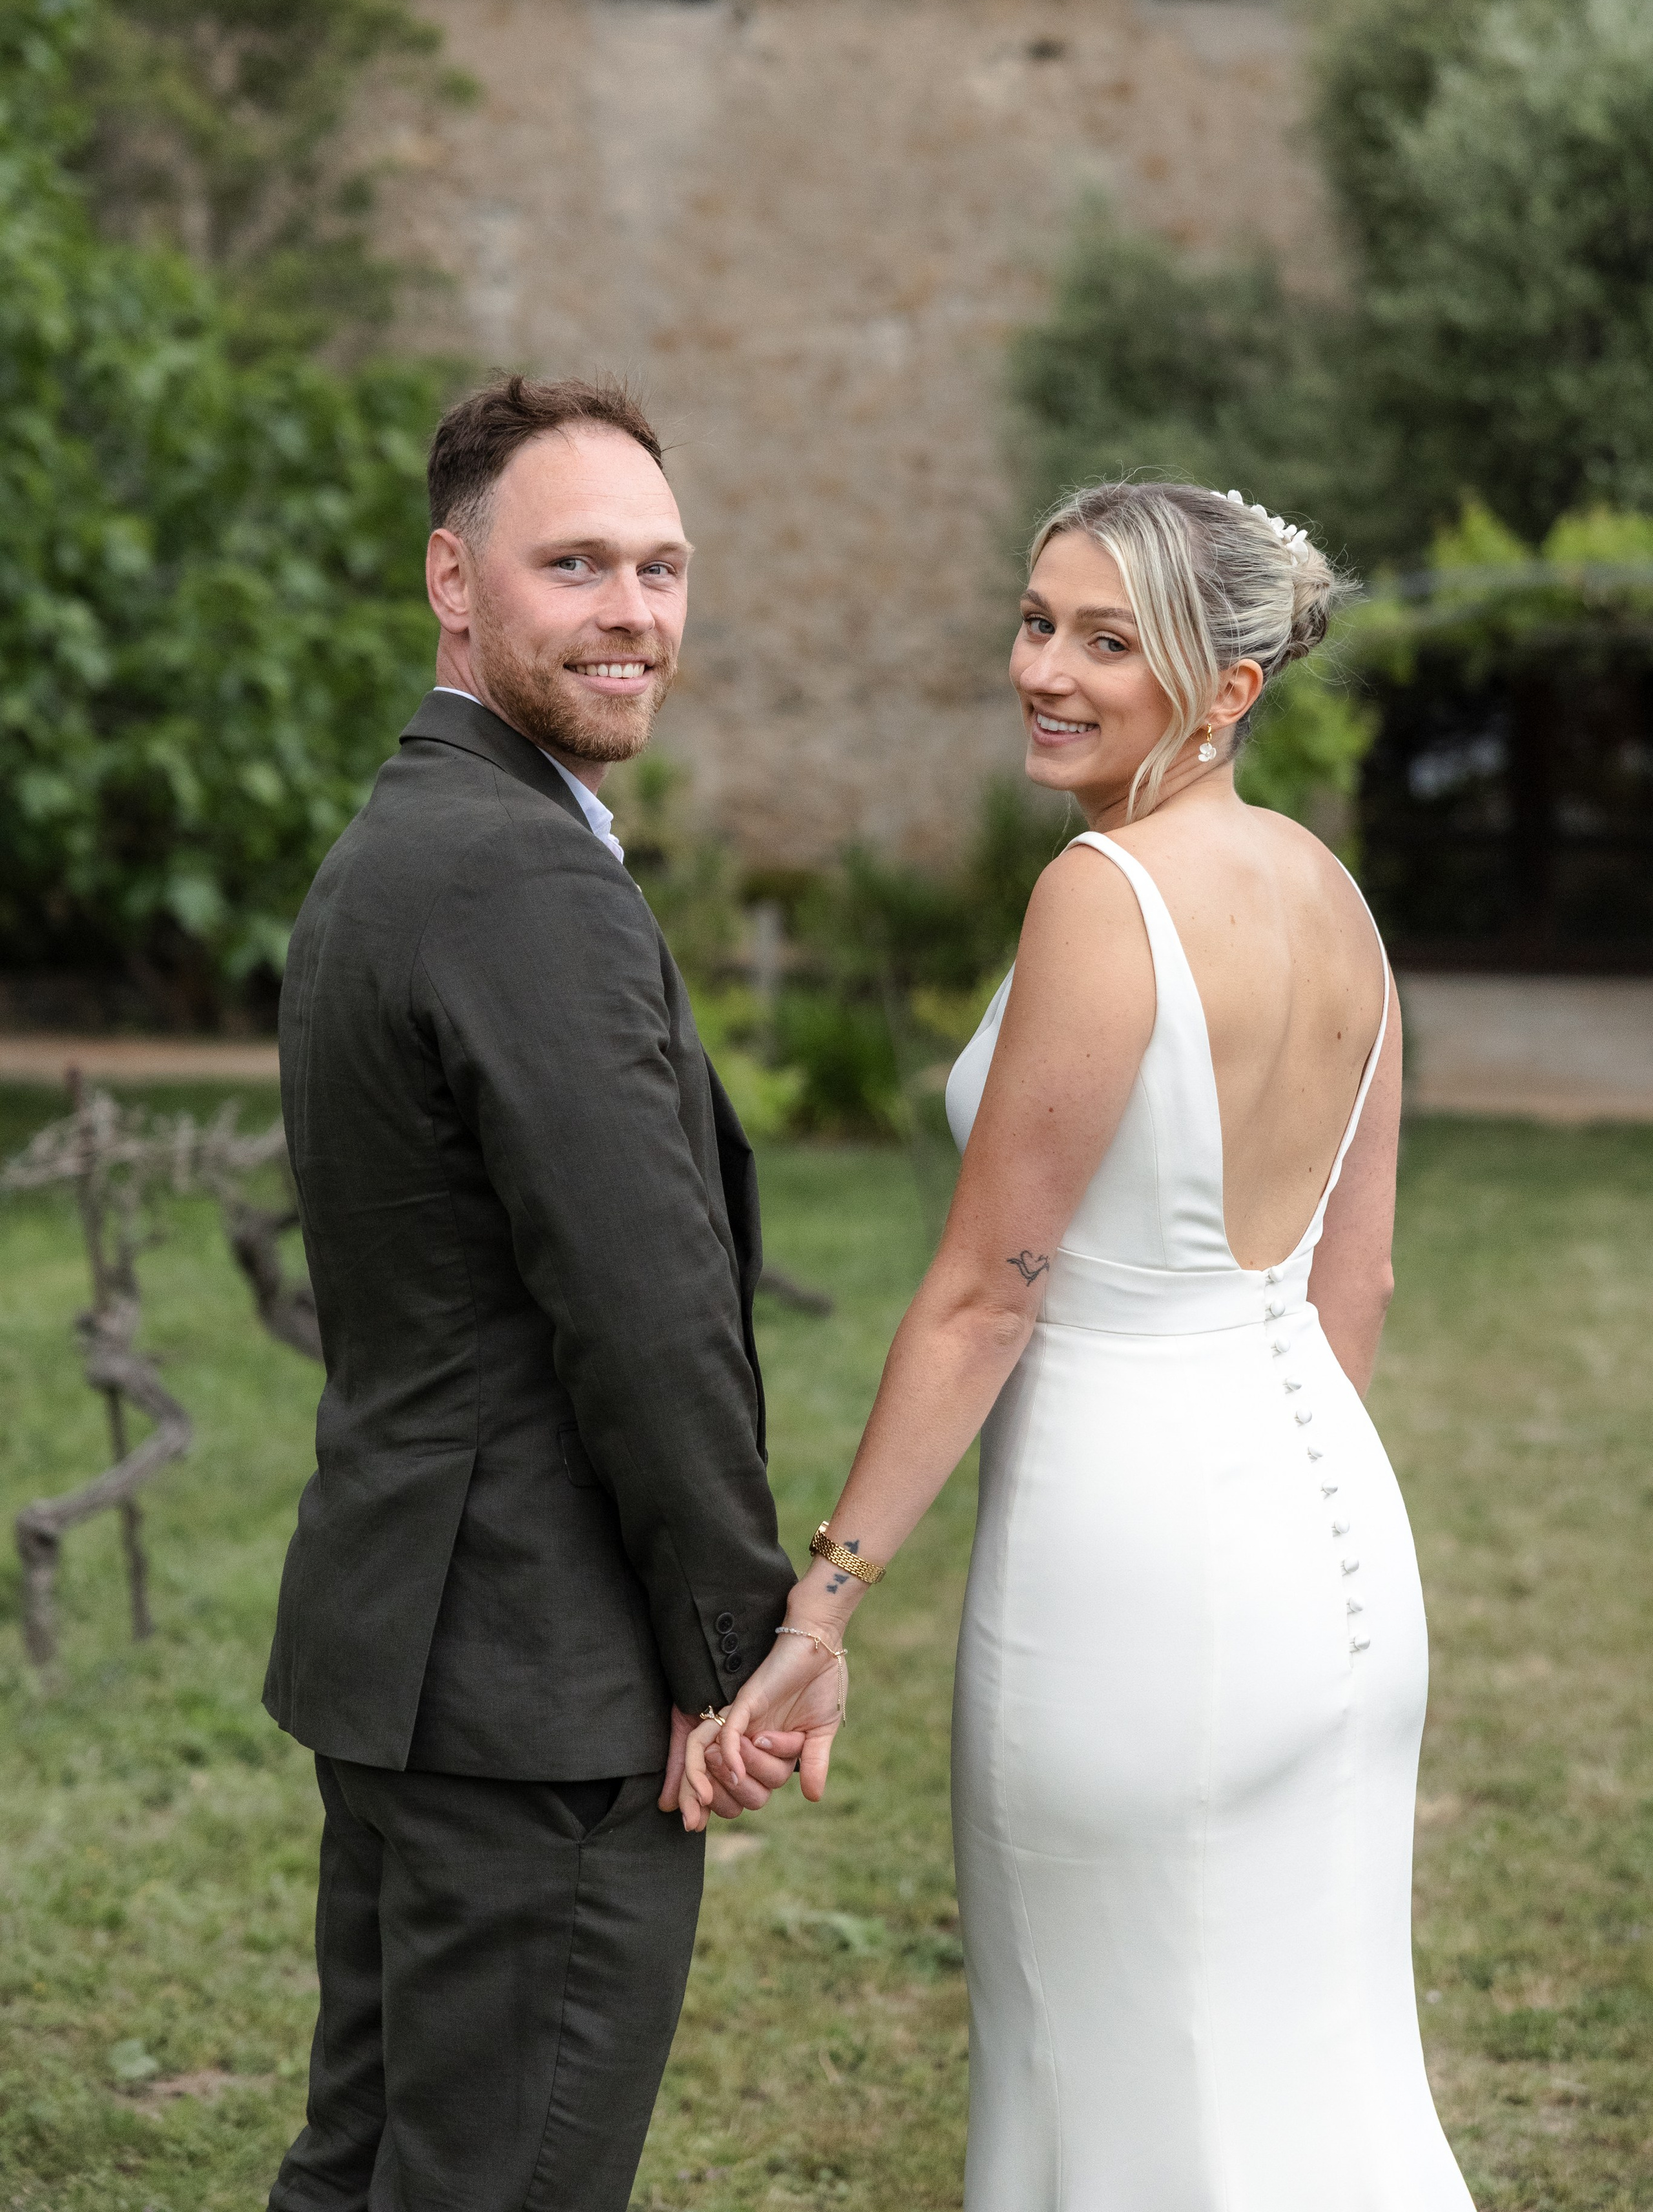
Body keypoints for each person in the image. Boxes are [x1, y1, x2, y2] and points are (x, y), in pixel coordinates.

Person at [686, 482, 1475, 2209]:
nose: (1046, 668)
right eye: (1039, 620)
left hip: (1134, 1571)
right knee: (1314, 2072)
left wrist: (822, 1601)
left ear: (1225, 690)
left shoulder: (1103, 896)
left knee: (1109, 2085)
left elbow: (986, 1292)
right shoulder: (1337, 897)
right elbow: (1360, 1282)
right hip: (1326, 1550)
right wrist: (1272, 1523)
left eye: (1109, 639)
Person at [265, 375, 802, 2212]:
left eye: (662, 568)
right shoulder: (516, 878)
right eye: (575, 564)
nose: (635, 613)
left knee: (368, 2169)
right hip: (538, 1694)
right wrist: (745, 1653)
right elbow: (646, 1315)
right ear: (452, 576)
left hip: (421, 1660)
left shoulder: (406, 838)